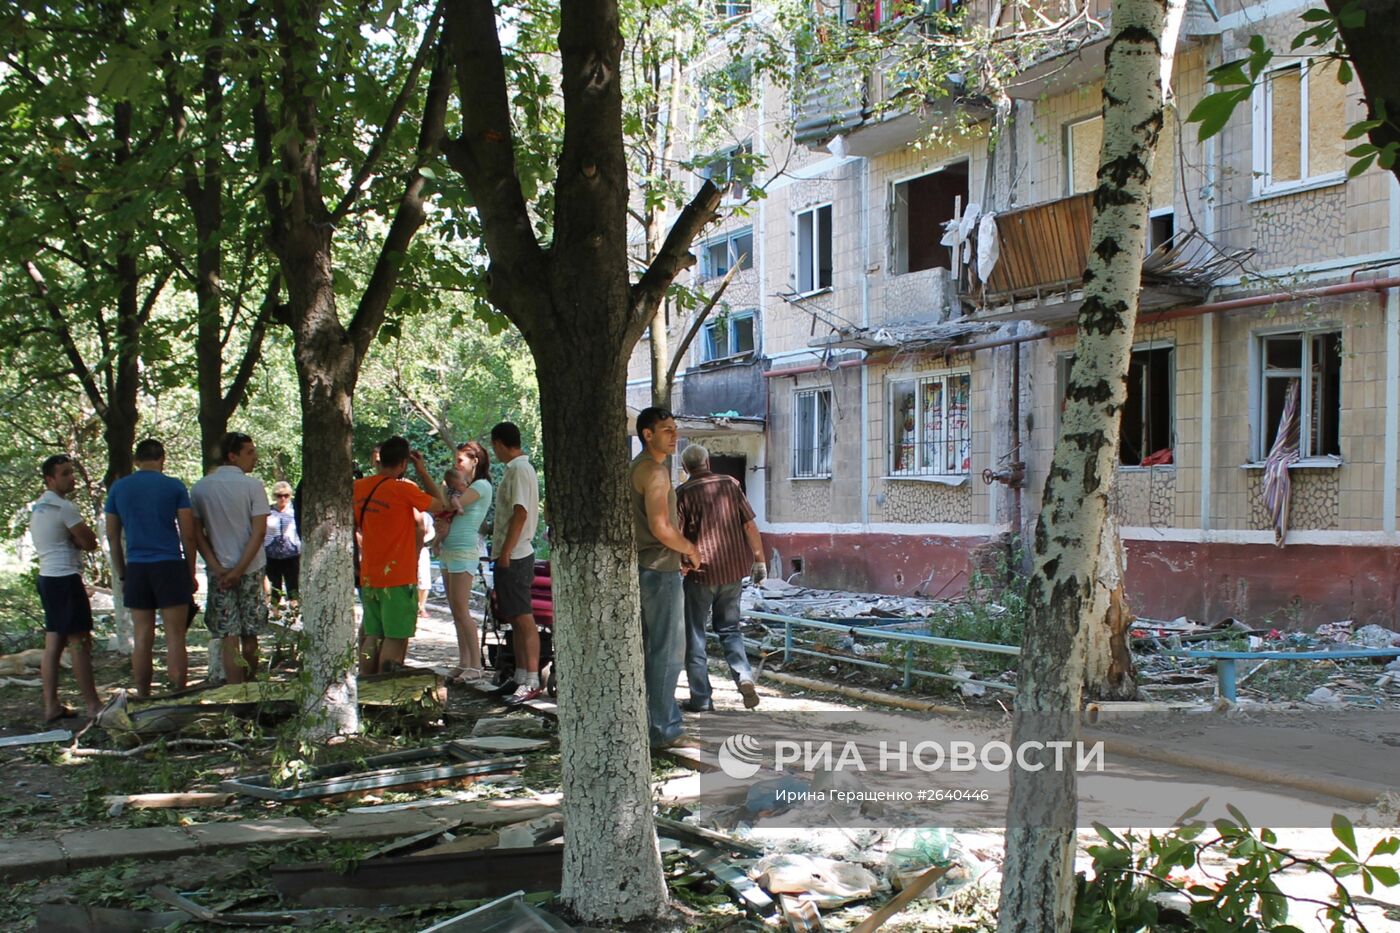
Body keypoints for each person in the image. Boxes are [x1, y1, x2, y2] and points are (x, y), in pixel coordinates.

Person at [630, 407, 702, 750]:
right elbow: (661, 528)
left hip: (647, 567)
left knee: (651, 649)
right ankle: (663, 728)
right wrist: (689, 548)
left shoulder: (638, 469)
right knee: (669, 651)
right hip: (658, 569)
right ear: (647, 434)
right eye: (666, 430)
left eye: (675, 428)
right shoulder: (654, 473)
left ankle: (649, 721)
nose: (674, 435)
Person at [105, 439, 198, 696]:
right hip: (169, 565)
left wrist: (122, 572)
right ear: (162, 459)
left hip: (137, 566)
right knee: (176, 636)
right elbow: (187, 534)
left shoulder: (119, 488)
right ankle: (177, 694)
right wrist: (189, 573)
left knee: (142, 635)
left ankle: (143, 694)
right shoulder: (174, 487)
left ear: (137, 460)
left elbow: (113, 536)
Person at [676, 443, 764, 712]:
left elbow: (678, 537)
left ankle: (702, 699)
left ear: (685, 468)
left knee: (696, 636)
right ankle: (745, 677)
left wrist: (681, 564)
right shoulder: (730, 483)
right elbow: (749, 524)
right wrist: (759, 559)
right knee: (730, 629)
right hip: (732, 572)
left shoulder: (682, 493)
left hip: (700, 575)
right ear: (708, 462)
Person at [354, 436, 447, 674]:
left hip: (370, 574)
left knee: (373, 635)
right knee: (394, 637)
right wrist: (423, 471)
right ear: (403, 463)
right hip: (397, 575)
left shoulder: (359, 488)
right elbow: (440, 504)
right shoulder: (403, 489)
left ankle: (365, 681)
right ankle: (385, 688)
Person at [191, 432, 270, 685]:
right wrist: (239, 569)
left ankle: (235, 692)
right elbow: (258, 533)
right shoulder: (253, 487)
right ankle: (249, 684)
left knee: (229, 634)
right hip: (250, 566)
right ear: (232, 455)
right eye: (249, 452)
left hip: (221, 570)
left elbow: (197, 533)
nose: (254, 457)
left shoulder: (201, 487)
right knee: (250, 632)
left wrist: (216, 567)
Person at [30, 455, 102, 722]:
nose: (71, 478)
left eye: (72, 472)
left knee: (54, 643)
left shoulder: (39, 508)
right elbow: (90, 541)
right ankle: (94, 705)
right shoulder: (63, 507)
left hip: (47, 578)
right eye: (64, 474)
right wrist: (77, 539)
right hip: (65, 579)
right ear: (50, 479)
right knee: (80, 643)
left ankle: (51, 705)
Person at [487, 422, 543, 706]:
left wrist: (506, 551)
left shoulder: (520, 470)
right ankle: (521, 675)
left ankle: (532, 678)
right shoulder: (518, 469)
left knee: (523, 617)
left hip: (517, 554)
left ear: (499, 443)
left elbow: (520, 513)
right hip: (510, 552)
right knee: (514, 619)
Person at [439, 442, 492, 683]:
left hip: (464, 551)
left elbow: (447, 504)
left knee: (461, 608)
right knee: (455, 609)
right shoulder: (459, 488)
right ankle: (464, 661)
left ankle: (476, 664)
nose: (456, 464)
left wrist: (444, 488)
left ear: (474, 461)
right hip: (448, 550)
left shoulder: (481, 485)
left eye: (460, 460)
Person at [263, 481, 300, 609]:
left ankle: (294, 613)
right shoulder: (267, 511)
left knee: (293, 586)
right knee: (274, 586)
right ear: (274, 496)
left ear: (290, 495)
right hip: (271, 555)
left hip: (292, 554)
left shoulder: (295, 511)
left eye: (286, 495)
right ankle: (275, 612)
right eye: (279, 495)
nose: (282, 498)